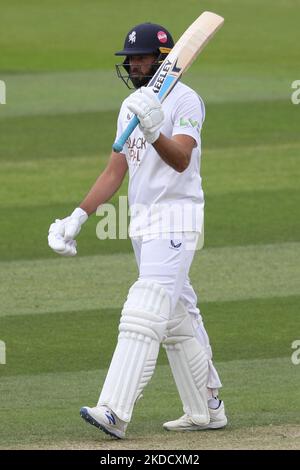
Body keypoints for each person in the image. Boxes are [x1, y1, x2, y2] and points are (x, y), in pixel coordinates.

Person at [48, 22, 227, 439]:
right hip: (142, 223)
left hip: (176, 219)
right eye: (129, 58)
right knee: (178, 317)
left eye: (140, 57)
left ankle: (115, 410)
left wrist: (154, 129)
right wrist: (77, 216)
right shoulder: (132, 103)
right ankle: (207, 407)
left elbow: (181, 158)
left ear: (162, 60)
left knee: (145, 308)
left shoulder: (186, 100)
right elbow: (116, 169)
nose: (131, 64)